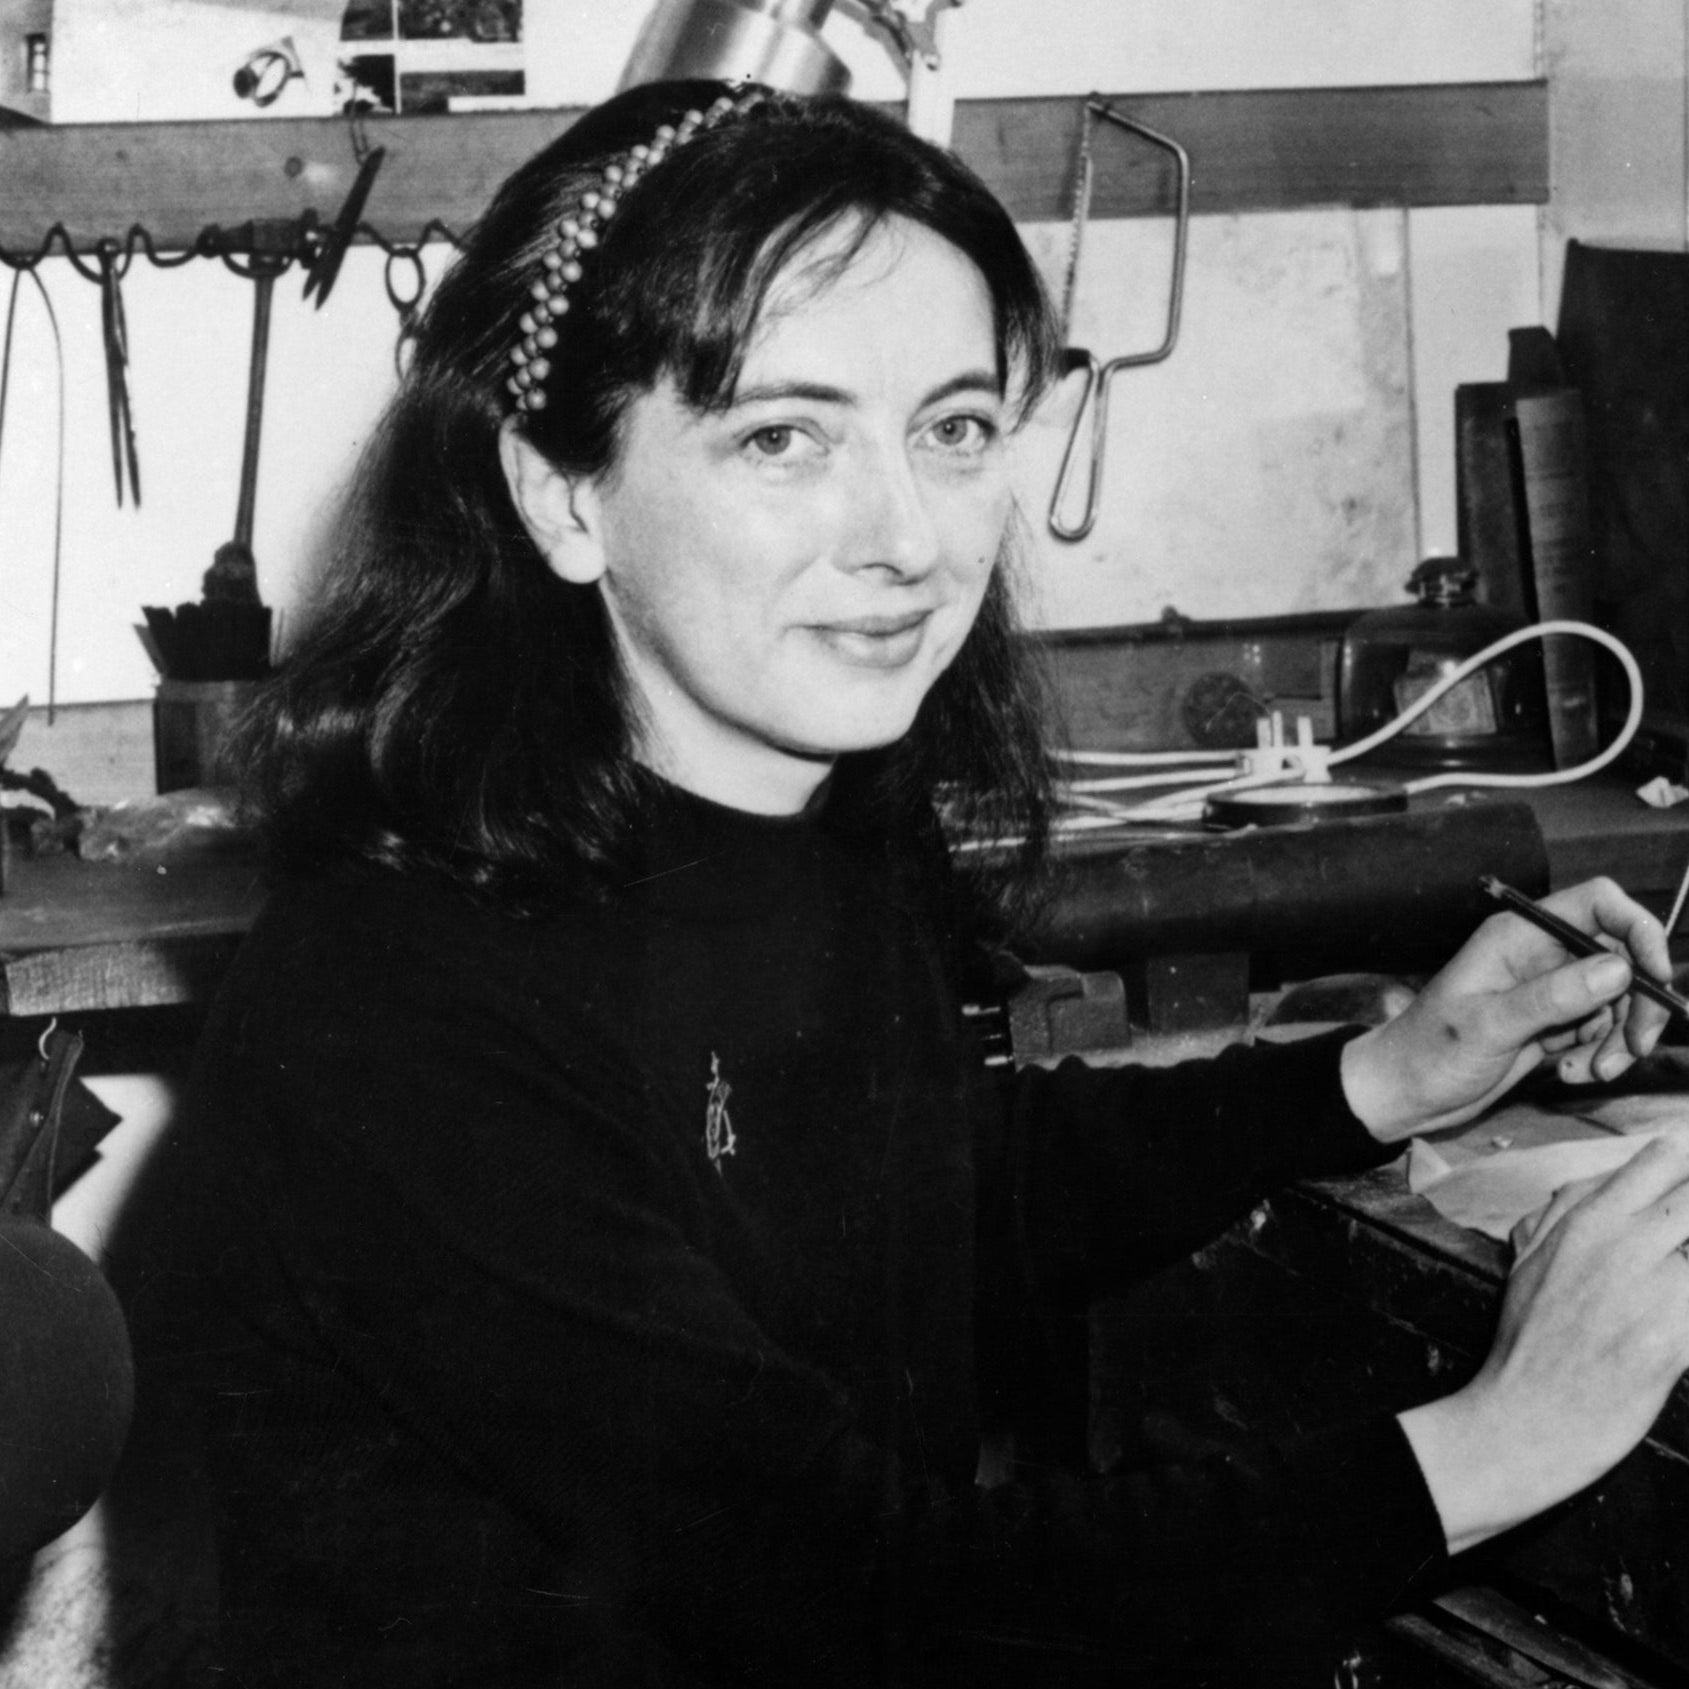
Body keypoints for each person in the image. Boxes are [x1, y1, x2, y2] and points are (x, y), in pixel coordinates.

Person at [110, 78, 1689, 1688]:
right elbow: (864, 1589)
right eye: (782, 437)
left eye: (951, 430)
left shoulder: (811, 835)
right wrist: (1497, 1439)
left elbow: (914, 1199)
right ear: (559, 494)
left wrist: (1378, 1075)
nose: (908, 537)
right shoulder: (403, 996)